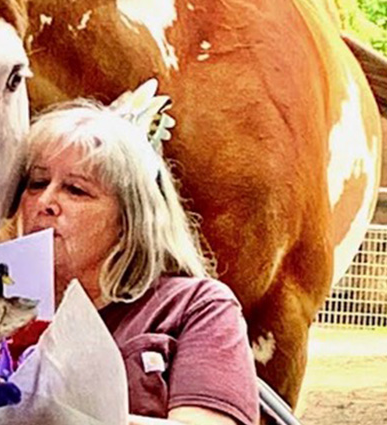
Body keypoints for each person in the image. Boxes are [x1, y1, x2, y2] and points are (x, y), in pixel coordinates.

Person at [13, 101, 260, 425]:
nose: (45, 202)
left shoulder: (194, 307)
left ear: (131, 219)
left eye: (75, 190)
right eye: (37, 183)